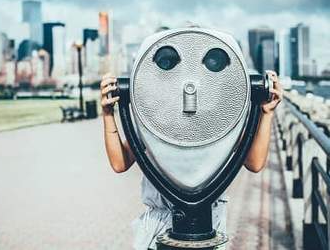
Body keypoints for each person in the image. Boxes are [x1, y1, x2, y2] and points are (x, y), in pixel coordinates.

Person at [101, 70, 283, 250]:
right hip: (159, 230)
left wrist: (266, 114)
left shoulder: (218, 120)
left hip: (209, 226)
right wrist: (108, 114)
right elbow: (120, 163)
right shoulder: (156, 120)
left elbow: (255, 162)